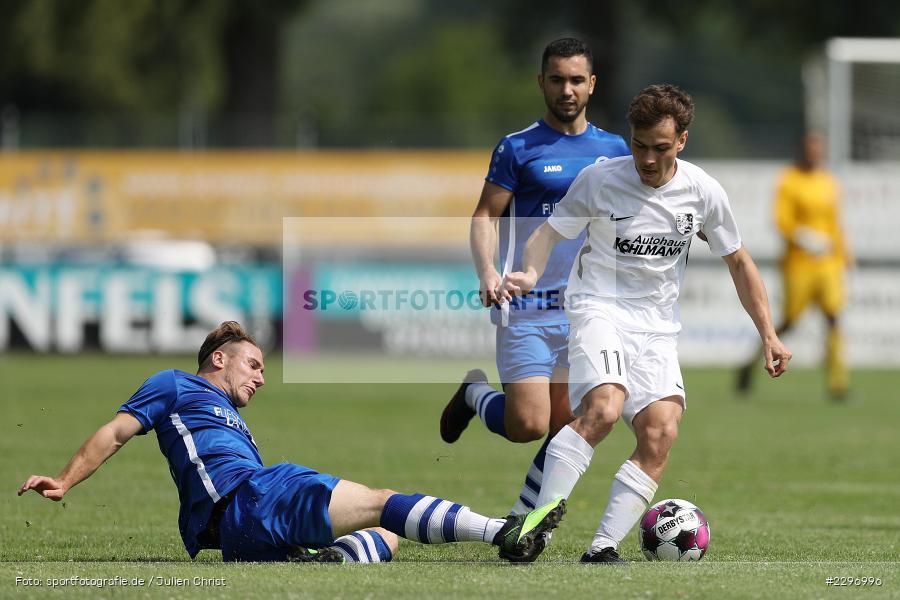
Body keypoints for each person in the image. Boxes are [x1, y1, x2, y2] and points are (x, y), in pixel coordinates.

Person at [499, 84, 792, 563]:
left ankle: (602, 548)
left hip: (656, 327)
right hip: (599, 307)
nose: (648, 159)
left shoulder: (701, 191)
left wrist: (769, 334)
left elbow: (739, 262)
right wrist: (530, 271)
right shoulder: (600, 180)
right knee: (606, 407)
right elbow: (549, 232)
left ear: (682, 141)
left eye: (660, 148)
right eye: (639, 145)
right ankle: (540, 518)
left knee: (661, 431)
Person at [18, 321, 565, 563]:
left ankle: (332, 564)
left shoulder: (227, 417)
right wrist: (65, 480)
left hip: (239, 534)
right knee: (382, 501)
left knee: (389, 531)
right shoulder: (174, 385)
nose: (260, 376)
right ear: (218, 359)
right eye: (252, 364)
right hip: (251, 496)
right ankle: (504, 530)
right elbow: (116, 432)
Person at [439, 37, 630, 517]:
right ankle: (475, 394)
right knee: (527, 423)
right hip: (524, 303)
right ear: (541, 82)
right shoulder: (517, 147)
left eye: (576, 80)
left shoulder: (614, 149)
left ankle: (529, 519)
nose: (567, 89)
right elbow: (485, 215)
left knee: (566, 425)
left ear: (592, 84)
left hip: (585, 309)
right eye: (557, 79)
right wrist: (487, 272)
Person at [736, 132, 852, 400]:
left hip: (829, 264)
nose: (815, 153)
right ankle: (751, 364)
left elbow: (836, 222)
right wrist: (804, 237)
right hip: (798, 264)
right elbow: (782, 219)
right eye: (811, 148)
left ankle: (838, 383)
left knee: (833, 317)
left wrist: (845, 253)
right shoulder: (789, 180)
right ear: (801, 150)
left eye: (819, 148)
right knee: (789, 322)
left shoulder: (828, 181)